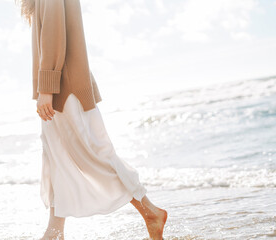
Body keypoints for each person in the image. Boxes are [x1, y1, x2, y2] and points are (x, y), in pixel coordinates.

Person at [15, 0, 167, 239]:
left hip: (64, 88)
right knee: (56, 159)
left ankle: (150, 212)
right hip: (62, 86)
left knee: (93, 156)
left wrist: (46, 88)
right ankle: (54, 231)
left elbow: (54, 33)